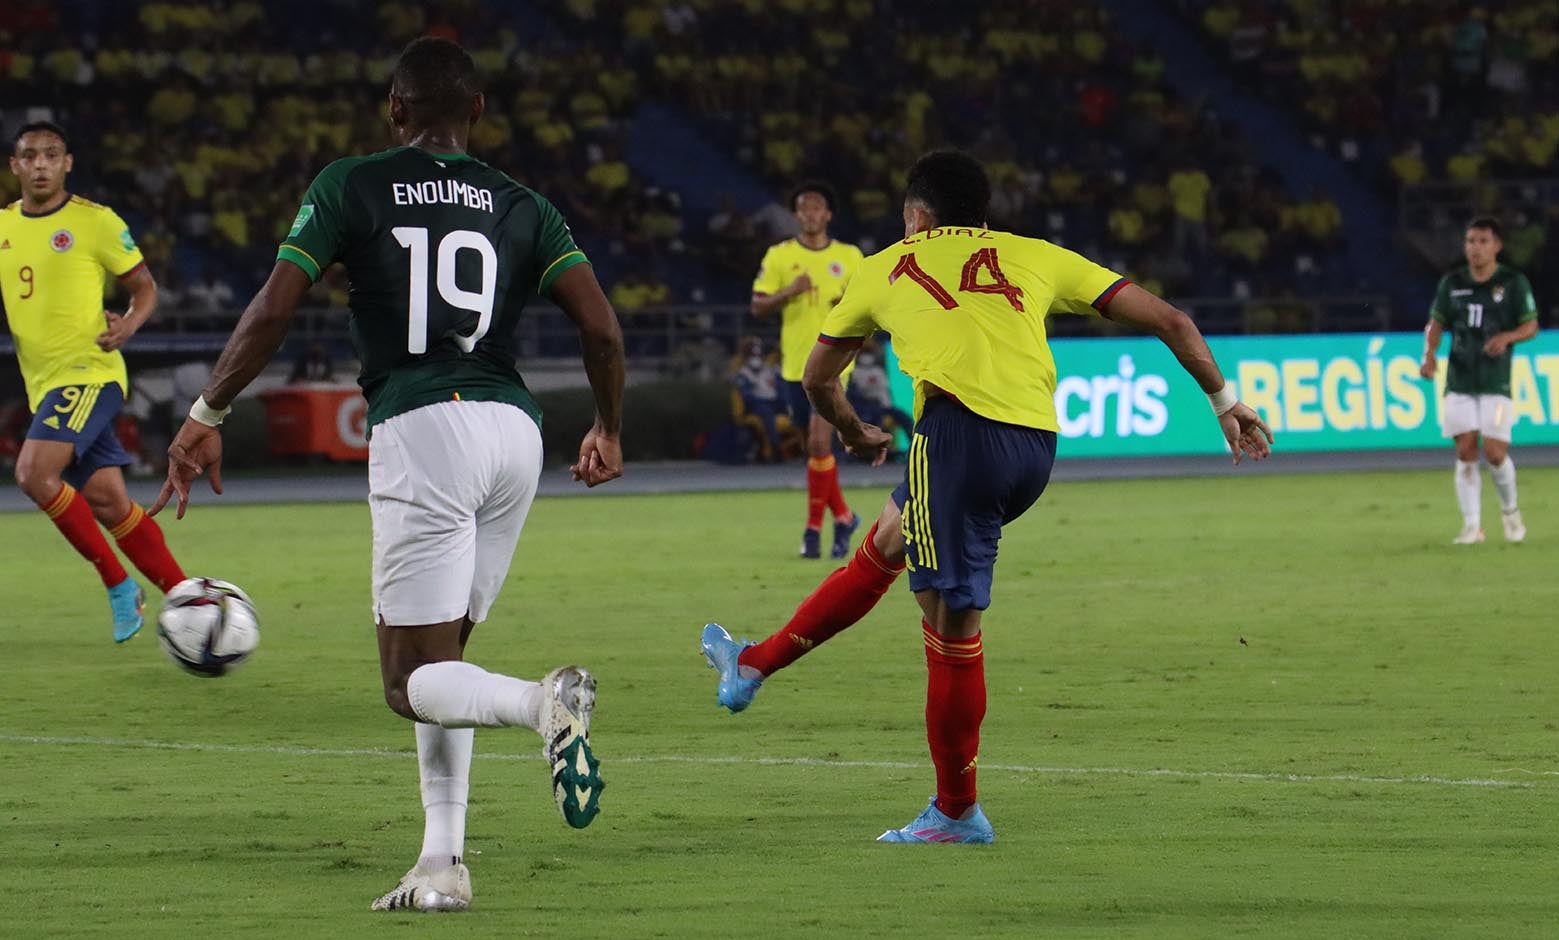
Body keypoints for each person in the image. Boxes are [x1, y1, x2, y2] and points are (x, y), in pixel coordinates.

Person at [150, 38, 625, 912]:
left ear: (395, 111)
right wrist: (607, 425)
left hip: (424, 426)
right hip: (514, 433)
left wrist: (206, 412)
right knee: (444, 670)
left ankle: (543, 704)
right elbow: (600, 329)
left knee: (409, 683)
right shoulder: (526, 205)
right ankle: (441, 866)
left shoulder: (351, 183)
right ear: (477, 111)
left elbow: (275, 307)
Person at [701, 150, 1273, 844]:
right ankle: (753, 664)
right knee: (886, 542)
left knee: (950, 630)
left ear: (916, 216)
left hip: (956, 442)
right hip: (1033, 448)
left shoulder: (883, 267)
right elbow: (1173, 319)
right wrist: (1225, 402)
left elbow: (818, 378)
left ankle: (956, 811)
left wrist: (852, 430)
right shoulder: (1036, 255)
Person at [0, 120, 188, 642]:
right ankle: (188, 596)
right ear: (15, 166)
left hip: (90, 373)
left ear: (67, 164)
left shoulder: (96, 222)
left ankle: (118, 584)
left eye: (51, 155)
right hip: (44, 385)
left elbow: (144, 288)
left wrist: (128, 323)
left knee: (33, 473)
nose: (40, 164)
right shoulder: (4, 228)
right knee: (108, 501)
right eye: (30, 155)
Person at [751, 180, 865, 558]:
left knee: (818, 444)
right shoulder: (780, 255)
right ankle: (844, 517)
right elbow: (758, 305)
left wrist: (848, 303)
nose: (810, 214)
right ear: (796, 215)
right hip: (794, 364)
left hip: (834, 364)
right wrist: (790, 291)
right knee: (814, 453)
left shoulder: (850, 256)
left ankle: (813, 532)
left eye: (816, 207)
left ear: (828, 214)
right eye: (803, 208)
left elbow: (868, 303)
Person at [1419, 217, 1539, 544]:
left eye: (1483, 241)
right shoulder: (1452, 283)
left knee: (1496, 452)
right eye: (1471, 241)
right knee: (1466, 449)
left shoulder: (1513, 283)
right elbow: (1435, 324)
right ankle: (1472, 527)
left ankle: (1510, 511)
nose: (1476, 248)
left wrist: (1507, 337)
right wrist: (1429, 355)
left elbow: (1531, 326)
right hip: (1459, 381)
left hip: (1496, 382)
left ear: (1497, 246)